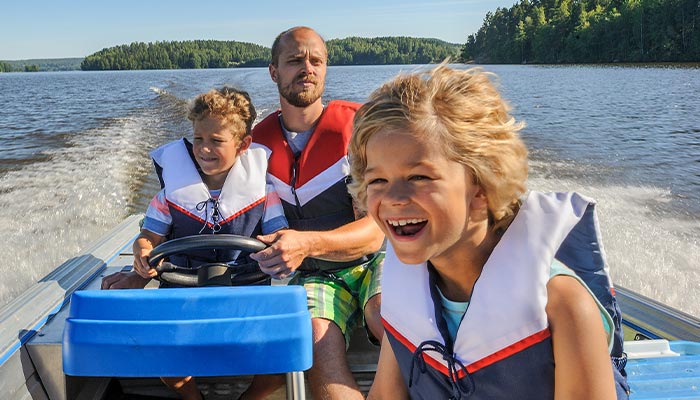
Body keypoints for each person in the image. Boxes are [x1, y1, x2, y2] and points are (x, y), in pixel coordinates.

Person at [347, 65, 630, 399]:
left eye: (419, 177)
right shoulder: (403, 290)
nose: (393, 198)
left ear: (481, 187)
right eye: (378, 181)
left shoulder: (564, 305)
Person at [103, 86, 288, 400]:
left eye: (216, 141)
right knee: (162, 358)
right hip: (182, 293)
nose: (204, 149)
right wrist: (143, 253)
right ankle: (193, 397)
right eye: (198, 139)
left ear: (243, 145)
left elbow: (279, 237)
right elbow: (148, 237)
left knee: (281, 366)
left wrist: (279, 251)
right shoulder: (169, 195)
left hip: (245, 292)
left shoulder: (264, 193)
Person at [249, 26, 385, 399]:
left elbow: (377, 230)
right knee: (317, 349)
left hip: (378, 260)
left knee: (384, 312)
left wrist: (306, 243)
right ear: (274, 71)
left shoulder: (360, 130)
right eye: (294, 60)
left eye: (316, 60)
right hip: (315, 277)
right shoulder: (254, 148)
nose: (307, 68)